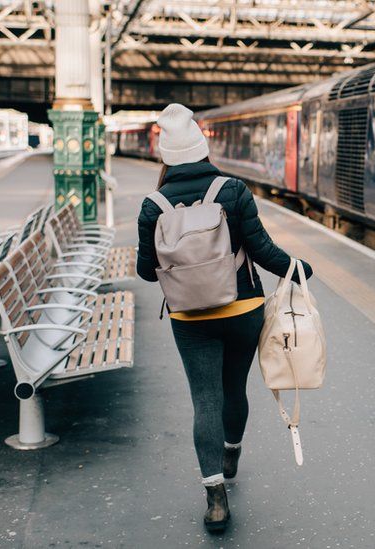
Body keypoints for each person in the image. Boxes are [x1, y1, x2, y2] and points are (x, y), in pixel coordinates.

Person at [136, 103, 313, 533]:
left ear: (165, 155)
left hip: (189, 318)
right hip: (243, 310)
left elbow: (145, 271)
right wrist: (298, 269)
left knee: (205, 401)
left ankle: (215, 498)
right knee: (233, 389)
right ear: (200, 147)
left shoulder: (152, 205)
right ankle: (231, 450)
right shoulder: (233, 190)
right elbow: (263, 250)